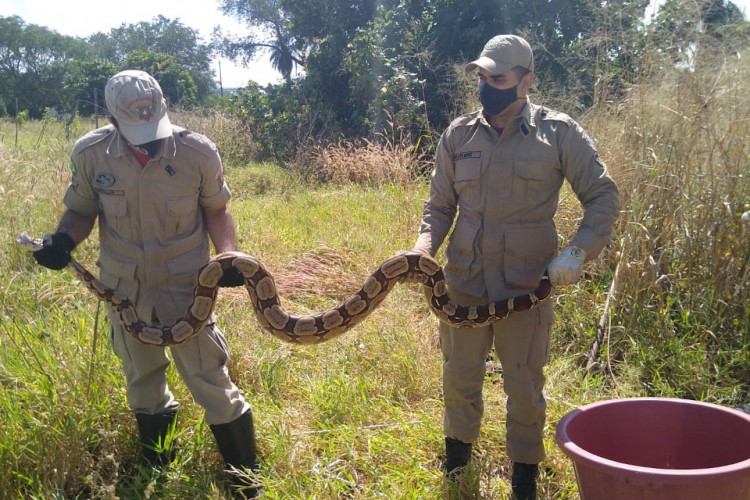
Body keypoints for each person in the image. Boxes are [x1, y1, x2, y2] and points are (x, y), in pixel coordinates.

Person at [32, 70, 260, 498]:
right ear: (112, 117)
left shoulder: (196, 152)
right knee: (142, 381)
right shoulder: (92, 153)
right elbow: (81, 211)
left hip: (185, 288)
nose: (147, 139)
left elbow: (217, 210)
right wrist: (62, 239)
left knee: (208, 378)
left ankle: (246, 479)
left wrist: (227, 255)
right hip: (124, 289)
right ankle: (158, 467)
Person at [412, 35, 620, 499]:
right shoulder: (458, 134)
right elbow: (439, 206)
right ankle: (457, 461)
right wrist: (421, 250)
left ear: (525, 81)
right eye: (482, 77)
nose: (487, 86)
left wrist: (579, 251)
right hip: (463, 282)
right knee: (458, 378)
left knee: (524, 386)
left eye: (498, 78)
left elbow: (603, 196)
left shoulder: (558, 133)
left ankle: (524, 476)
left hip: (525, 288)